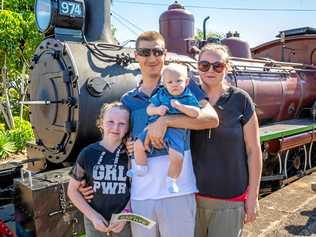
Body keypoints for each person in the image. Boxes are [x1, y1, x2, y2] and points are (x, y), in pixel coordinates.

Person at [79, 31, 219, 237]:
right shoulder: (128, 100)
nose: (152, 58)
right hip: (141, 195)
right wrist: (87, 182)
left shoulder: (183, 89)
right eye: (145, 52)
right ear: (136, 56)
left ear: (165, 54)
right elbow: (117, 143)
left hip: (178, 191)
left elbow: (211, 119)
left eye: (157, 51)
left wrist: (166, 120)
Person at [191, 43, 262, 237]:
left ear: (227, 67)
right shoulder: (187, 98)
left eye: (217, 65)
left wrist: (253, 197)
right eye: (204, 65)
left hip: (229, 199)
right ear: (198, 67)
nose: (210, 70)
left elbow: (253, 150)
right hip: (189, 198)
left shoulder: (241, 100)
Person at [131, 63, 205, 193]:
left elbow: (196, 113)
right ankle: (140, 167)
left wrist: (181, 107)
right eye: (170, 82)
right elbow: (149, 110)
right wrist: (157, 110)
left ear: (187, 82)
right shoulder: (161, 94)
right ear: (164, 84)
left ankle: (172, 180)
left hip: (176, 130)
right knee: (138, 145)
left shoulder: (188, 97)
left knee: (177, 158)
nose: (174, 84)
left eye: (179, 81)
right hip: (152, 126)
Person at [67, 102, 132, 237]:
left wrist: (126, 213)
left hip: (124, 222)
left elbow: (138, 189)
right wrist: (93, 216)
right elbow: (72, 191)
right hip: (95, 222)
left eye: (122, 123)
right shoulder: (88, 153)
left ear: (128, 127)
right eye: (110, 122)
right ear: (101, 123)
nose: (115, 127)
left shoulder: (131, 155)